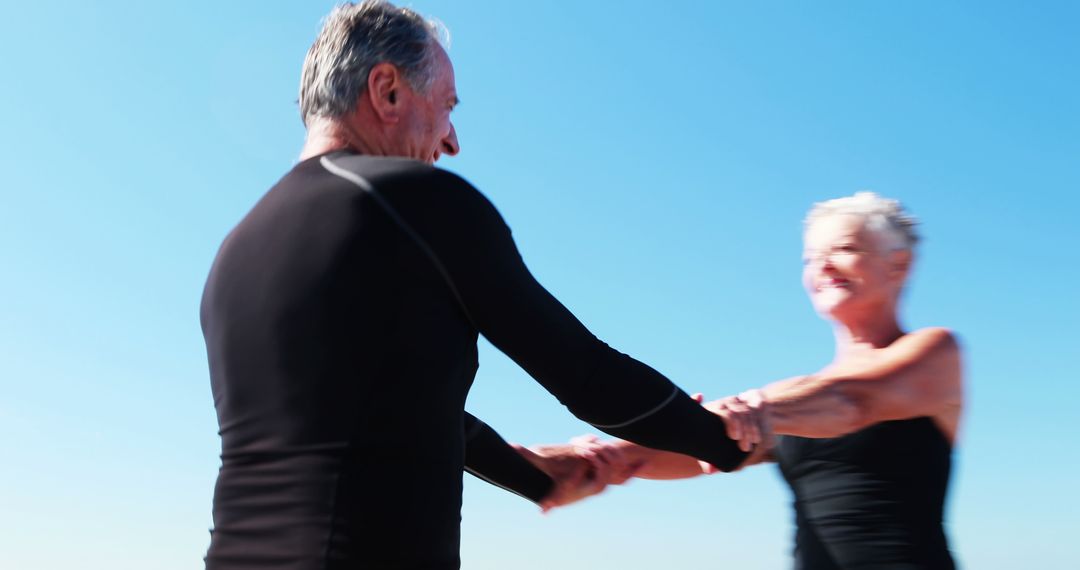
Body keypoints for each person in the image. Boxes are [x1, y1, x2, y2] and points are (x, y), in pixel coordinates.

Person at [199, 2, 750, 569]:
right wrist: (729, 442)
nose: (452, 140)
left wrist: (535, 478)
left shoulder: (233, 254)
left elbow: (401, 413)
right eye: (446, 107)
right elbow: (586, 374)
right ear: (387, 90)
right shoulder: (414, 201)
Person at [565, 192, 964, 569]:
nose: (823, 267)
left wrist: (756, 408)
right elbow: (702, 442)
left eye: (845, 249)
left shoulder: (935, 352)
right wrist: (595, 460)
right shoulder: (793, 394)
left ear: (899, 264)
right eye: (812, 257)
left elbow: (855, 401)